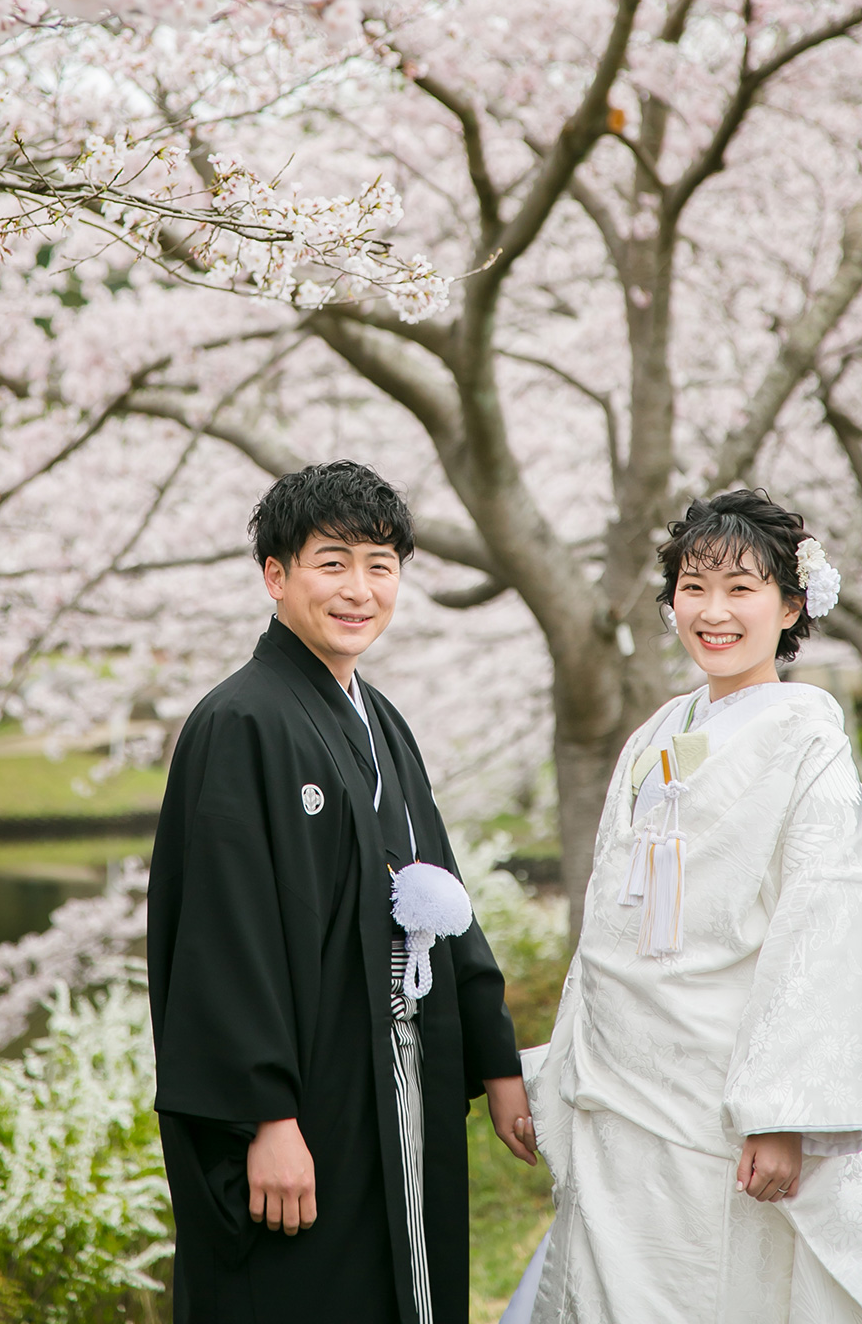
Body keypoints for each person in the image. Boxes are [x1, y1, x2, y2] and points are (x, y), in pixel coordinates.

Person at [510, 489, 862, 1324]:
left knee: (712, 1288)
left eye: (742, 588)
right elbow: (608, 921)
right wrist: (559, 1063)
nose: (714, 611)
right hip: (623, 1085)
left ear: (792, 604)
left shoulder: (808, 742)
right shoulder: (657, 731)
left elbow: (825, 928)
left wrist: (786, 1116)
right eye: (693, 588)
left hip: (723, 1096)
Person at [147, 461, 535, 1324]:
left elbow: (440, 892)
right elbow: (224, 936)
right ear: (275, 576)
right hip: (310, 1099)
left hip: (394, 1079)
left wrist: (494, 1054)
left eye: (380, 565)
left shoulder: (380, 717)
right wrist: (265, 1119)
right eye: (333, 563)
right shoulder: (241, 722)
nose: (359, 589)